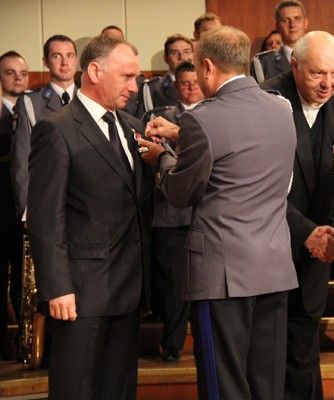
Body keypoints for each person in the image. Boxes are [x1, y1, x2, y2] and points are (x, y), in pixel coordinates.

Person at [144, 26, 298, 399]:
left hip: (222, 274)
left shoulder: (202, 118)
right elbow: (240, 146)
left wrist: (161, 158)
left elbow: (181, 192)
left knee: (224, 385)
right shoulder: (281, 108)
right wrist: (183, 135)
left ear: (209, 66)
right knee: (267, 385)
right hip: (274, 267)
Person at [27, 35, 153, 400]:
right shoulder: (56, 128)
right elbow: (46, 218)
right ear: (95, 71)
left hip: (129, 291)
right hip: (80, 296)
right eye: (126, 76)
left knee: (119, 391)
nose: (135, 86)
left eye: (136, 77)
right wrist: (57, 287)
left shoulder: (133, 127)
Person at [260, 30, 334, 399]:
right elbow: (259, 185)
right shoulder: (266, 100)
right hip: (271, 245)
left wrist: (333, 235)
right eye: (318, 73)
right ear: (294, 65)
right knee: (268, 349)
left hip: (321, 250)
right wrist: (304, 231)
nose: (328, 84)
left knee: (304, 345)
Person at [150, 60, 202, 362]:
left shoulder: (213, 116)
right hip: (169, 216)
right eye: (185, 82)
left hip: (203, 215)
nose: (191, 87)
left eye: (195, 81)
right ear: (175, 86)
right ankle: (172, 345)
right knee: (172, 286)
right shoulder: (159, 119)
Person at [11, 35, 78, 220]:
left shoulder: (89, 99)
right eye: (57, 56)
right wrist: (27, 212)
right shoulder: (31, 103)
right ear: (45, 62)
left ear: (76, 60)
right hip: (48, 202)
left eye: (70, 55)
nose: (65, 62)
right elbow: (22, 159)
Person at [0, 50, 29, 356]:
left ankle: (26, 338)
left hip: (24, 206)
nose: (18, 78)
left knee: (24, 276)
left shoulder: (34, 108)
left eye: (22, 73)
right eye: (9, 72)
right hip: (1, 204)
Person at [251, 0, 309, 83]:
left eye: (297, 19)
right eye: (285, 20)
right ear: (277, 26)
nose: (292, 25)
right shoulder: (264, 63)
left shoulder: (320, 55)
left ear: (306, 23)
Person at [138, 34, 193, 119]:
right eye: (174, 53)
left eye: (186, 52)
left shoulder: (204, 83)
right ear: (166, 58)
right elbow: (143, 120)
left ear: (193, 55)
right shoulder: (152, 88)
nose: (182, 57)